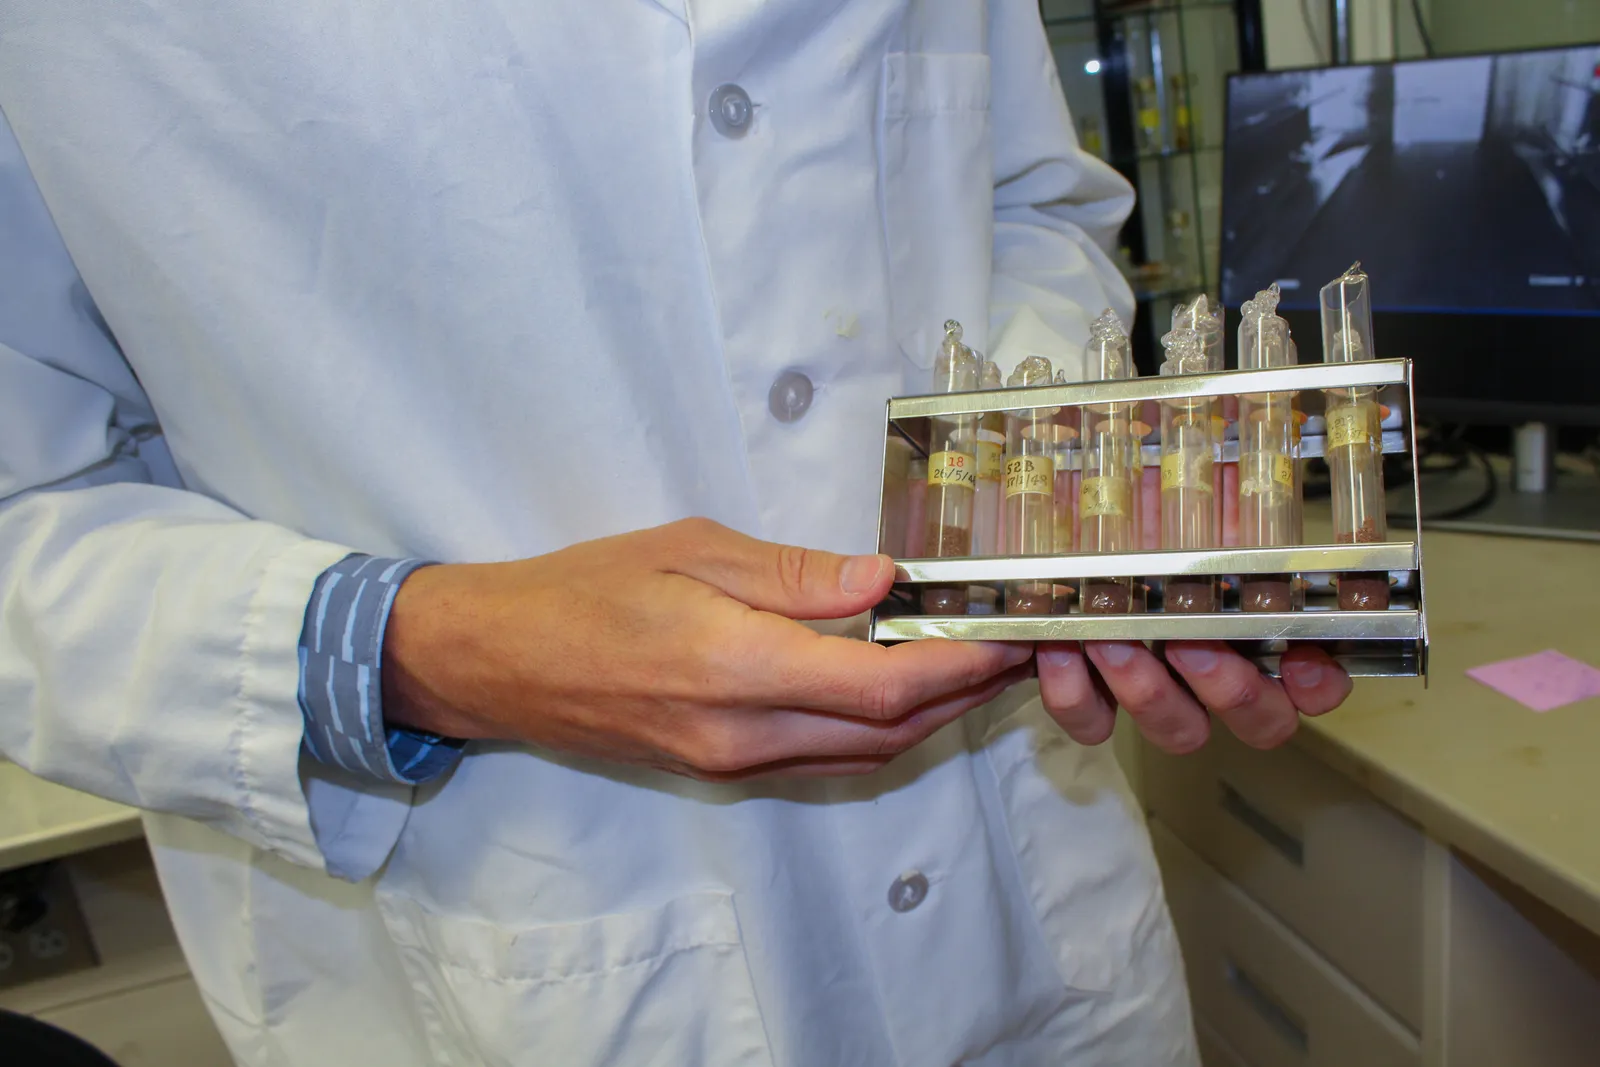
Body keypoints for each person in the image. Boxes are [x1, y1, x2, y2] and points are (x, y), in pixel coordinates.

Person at [0, 3, 1351, 1064]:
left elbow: (1025, 206)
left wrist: (1060, 523)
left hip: (1026, 894)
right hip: (527, 938)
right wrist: (426, 652)